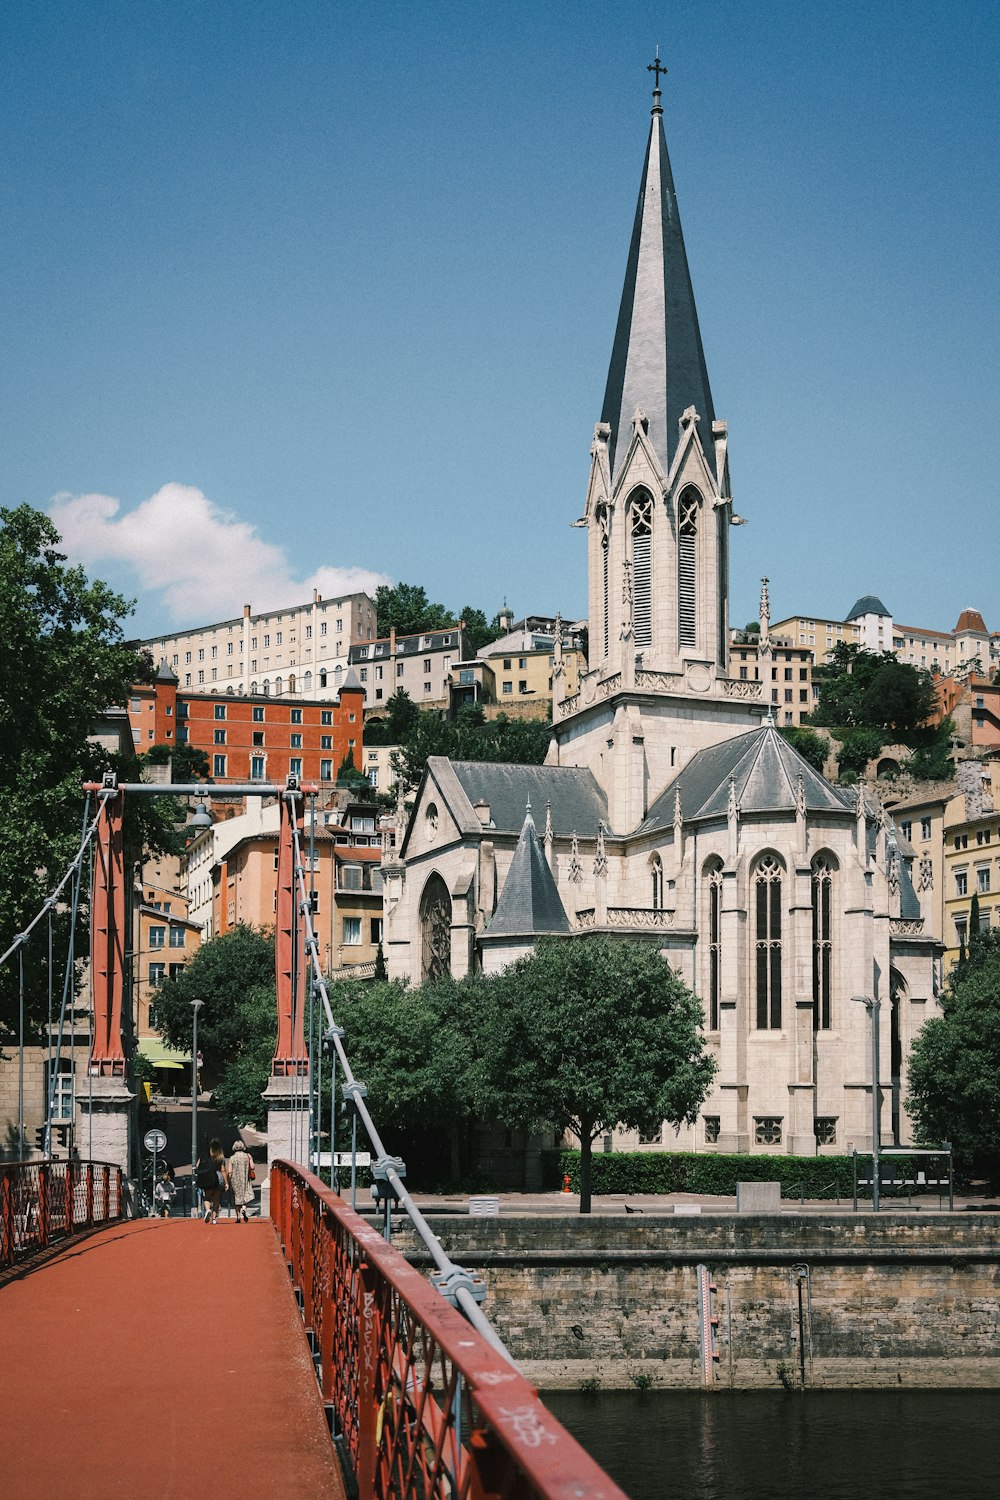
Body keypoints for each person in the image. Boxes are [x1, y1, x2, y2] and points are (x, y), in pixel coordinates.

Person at [196, 1138, 228, 1223]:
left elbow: (197, 1166)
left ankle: (207, 1210)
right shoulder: (221, 1157)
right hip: (218, 1178)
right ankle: (214, 1219)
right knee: (216, 1199)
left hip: (208, 1177)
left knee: (207, 1197)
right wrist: (226, 1182)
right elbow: (223, 1170)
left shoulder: (207, 1156)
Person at [227, 1140, 255, 1222]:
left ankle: (238, 1217)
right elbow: (252, 1167)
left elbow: (230, 1171)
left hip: (235, 1180)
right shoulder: (248, 1156)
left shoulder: (232, 1158)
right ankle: (244, 1208)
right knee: (245, 1194)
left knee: (237, 1197)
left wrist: (228, 1182)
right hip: (245, 1179)